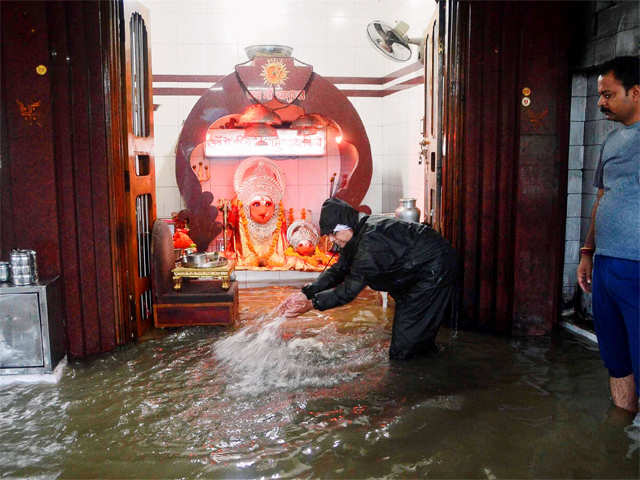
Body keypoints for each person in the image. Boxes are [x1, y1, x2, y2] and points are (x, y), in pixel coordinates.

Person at [279, 197, 458, 360]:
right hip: (412, 271)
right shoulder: (356, 234)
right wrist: (305, 293)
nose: (333, 240)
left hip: (432, 270)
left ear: (346, 225)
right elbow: (338, 270)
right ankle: (428, 355)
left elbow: (347, 291)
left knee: (403, 351)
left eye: (334, 234)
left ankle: (427, 382)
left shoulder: (369, 243)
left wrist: (311, 305)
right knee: (412, 334)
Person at [576, 56, 640, 413]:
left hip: (637, 267)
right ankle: (621, 440)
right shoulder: (612, 142)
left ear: (636, 92)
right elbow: (602, 196)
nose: (600, 102)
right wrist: (588, 252)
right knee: (616, 360)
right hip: (607, 266)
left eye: (607, 94)